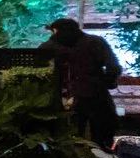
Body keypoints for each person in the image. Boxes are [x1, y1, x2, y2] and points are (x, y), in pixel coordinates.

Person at [40, 17, 123, 148]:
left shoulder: (48, 47)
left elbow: (39, 73)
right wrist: (107, 83)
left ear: (55, 30)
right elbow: (114, 68)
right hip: (97, 94)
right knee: (103, 139)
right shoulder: (95, 42)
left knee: (67, 141)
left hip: (62, 98)